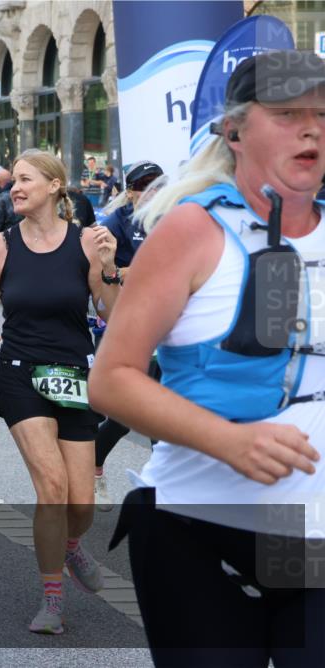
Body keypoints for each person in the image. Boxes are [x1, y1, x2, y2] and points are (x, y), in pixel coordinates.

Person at [89, 50, 325, 667]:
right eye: (287, 112)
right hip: (199, 525)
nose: (311, 127)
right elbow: (112, 380)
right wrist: (230, 441)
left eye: (324, 114)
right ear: (236, 130)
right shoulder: (194, 230)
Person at [0, 149, 120, 634]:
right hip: (19, 373)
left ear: (55, 186)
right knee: (51, 488)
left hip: (74, 375)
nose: (16, 187)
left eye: (26, 180)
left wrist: (111, 267)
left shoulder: (88, 244)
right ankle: (52, 599)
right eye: (13, 181)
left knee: (81, 505)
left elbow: (111, 313)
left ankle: (72, 545)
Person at [91, 160, 166, 510]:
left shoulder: (175, 217)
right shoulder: (115, 223)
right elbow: (106, 272)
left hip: (169, 326)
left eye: (157, 184)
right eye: (144, 185)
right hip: (127, 325)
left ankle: (163, 486)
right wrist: (130, 271)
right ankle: (92, 466)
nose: (152, 191)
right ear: (131, 191)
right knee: (124, 418)